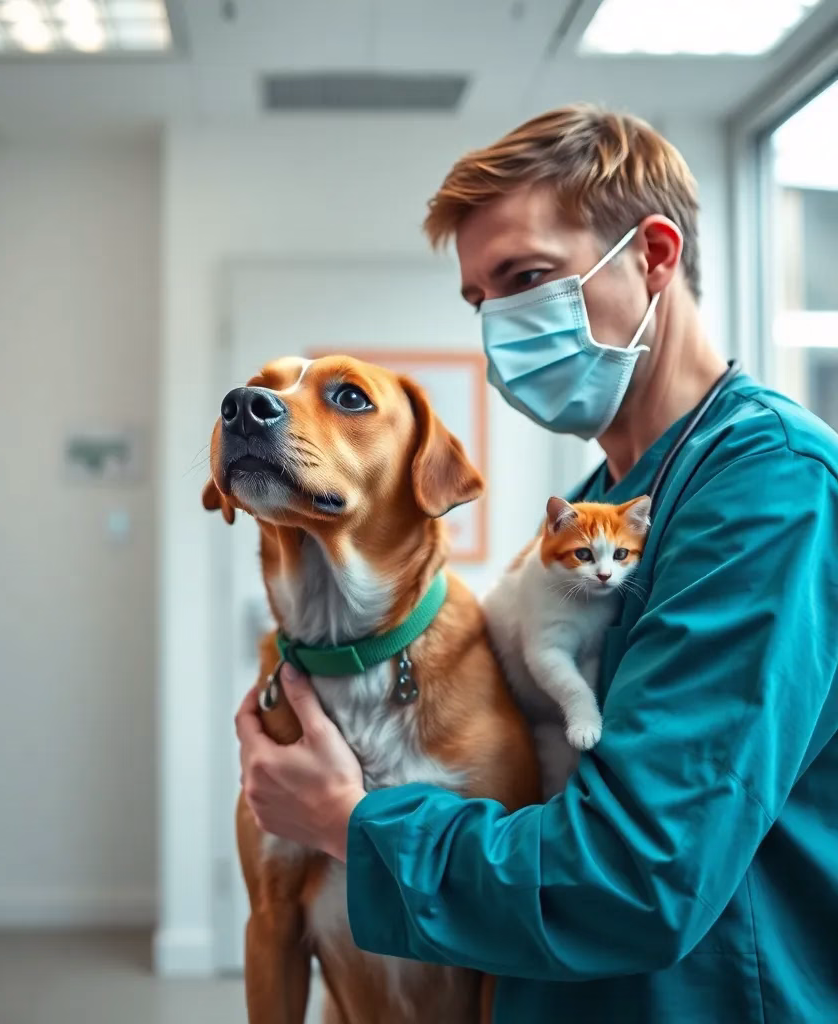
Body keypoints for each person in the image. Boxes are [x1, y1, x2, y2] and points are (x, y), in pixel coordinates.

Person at [234, 105, 838, 1022]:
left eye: (527, 278)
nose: (502, 325)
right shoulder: (602, 501)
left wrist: (348, 823)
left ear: (654, 256)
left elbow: (641, 875)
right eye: (481, 300)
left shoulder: (771, 489)